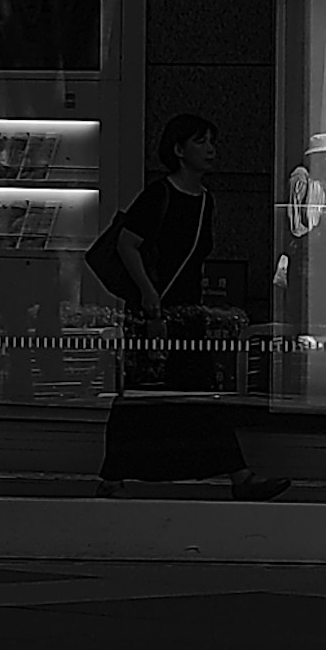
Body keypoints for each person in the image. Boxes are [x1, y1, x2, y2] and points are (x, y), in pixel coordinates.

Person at [88, 112, 243, 484]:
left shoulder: (206, 200)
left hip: (187, 313)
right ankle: (116, 474)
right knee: (145, 393)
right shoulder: (159, 194)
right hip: (153, 310)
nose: (210, 149)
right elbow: (128, 243)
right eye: (200, 142)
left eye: (211, 141)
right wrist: (148, 292)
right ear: (178, 150)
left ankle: (238, 473)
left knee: (195, 392)